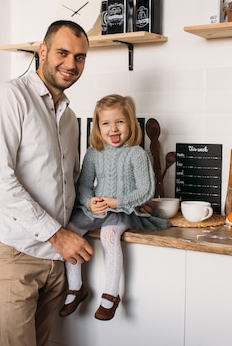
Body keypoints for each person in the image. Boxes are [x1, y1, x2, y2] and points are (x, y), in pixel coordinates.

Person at [0, 20, 95, 346]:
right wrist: (57, 235)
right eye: (63, 52)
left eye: (80, 57)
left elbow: (69, 181)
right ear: (42, 51)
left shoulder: (70, 117)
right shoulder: (8, 97)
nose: (71, 64)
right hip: (14, 255)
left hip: (55, 263)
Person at [59, 94, 170, 321]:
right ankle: (75, 287)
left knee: (110, 236)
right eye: (106, 123)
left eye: (120, 121)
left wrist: (115, 203)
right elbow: (83, 187)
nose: (113, 129)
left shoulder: (137, 153)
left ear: (131, 123)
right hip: (98, 209)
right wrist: (90, 201)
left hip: (124, 210)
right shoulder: (93, 154)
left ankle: (111, 293)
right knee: (69, 231)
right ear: (97, 127)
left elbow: (145, 191)